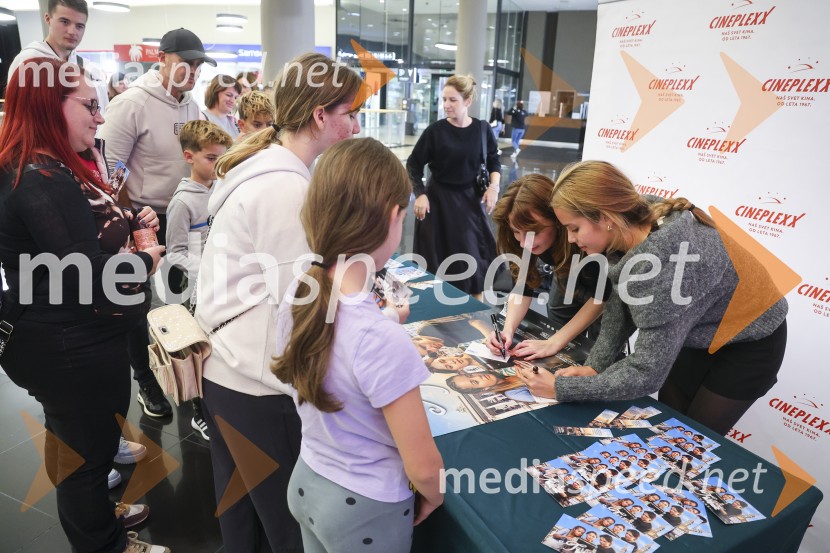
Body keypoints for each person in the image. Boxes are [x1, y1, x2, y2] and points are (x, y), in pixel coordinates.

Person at [194, 52, 364, 552]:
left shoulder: (264, 171)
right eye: (349, 113)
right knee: (288, 526)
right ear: (319, 116)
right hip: (257, 387)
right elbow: (300, 308)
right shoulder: (284, 187)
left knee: (241, 523)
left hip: (229, 374)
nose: (354, 126)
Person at [0, 58, 168, 553]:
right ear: (49, 106)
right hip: (67, 344)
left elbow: (82, 245)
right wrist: (145, 259)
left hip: (70, 338)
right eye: (90, 106)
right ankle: (103, 542)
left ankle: (100, 519)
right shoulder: (39, 177)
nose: (101, 117)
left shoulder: (48, 164)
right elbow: (87, 279)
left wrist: (127, 226)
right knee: (86, 457)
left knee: (77, 446)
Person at [516, 160, 788, 435]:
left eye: (574, 228)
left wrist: (562, 389)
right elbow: (618, 307)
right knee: (668, 422)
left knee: (689, 439)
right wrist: (595, 367)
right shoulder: (631, 226)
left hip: (748, 343)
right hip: (701, 328)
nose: (571, 239)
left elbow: (646, 373)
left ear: (606, 217)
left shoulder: (669, 267)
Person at [272, 137, 444, 553]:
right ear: (391, 216)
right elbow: (424, 469)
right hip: (365, 508)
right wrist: (435, 496)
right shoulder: (380, 339)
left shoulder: (301, 292)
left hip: (307, 479)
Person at [102, 27, 215, 417]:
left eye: (199, 65)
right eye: (186, 63)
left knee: (183, 301)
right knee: (139, 305)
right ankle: (146, 383)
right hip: (142, 216)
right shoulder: (132, 103)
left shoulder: (191, 106)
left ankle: (187, 380)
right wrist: (133, 223)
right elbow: (110, 171)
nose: (194, 72)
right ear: (163, 59)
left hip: (186, 213)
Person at [488, 174, 606, 360]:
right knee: (555, 333)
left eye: (534, 232)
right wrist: (507, 329)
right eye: (517, 232)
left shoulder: (582, 240)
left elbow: (602, 298)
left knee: (600, 350)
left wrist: (555, 342)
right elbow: (522, 286)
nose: (525, 243)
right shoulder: (531, 241)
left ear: (557, 220)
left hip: (604, 287)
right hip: (566, 272)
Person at [165, 120, 233, 441]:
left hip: (218, 286)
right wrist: (208, 267)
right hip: (194, 291)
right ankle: (197, 414)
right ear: (189, 156)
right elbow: (176, 253)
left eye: (222, 158)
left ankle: (212, 406)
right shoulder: (182, 203)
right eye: (211, 158)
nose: (218, 165)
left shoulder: (221, 190)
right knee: (195, 356)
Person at [406, 74, 501, 298]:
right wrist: (420, 194)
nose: (446, 105)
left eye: (453, 100)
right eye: (444, 100)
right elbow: (413, 164)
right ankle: (438, 312)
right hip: (438, 201)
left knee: (473, 259)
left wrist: (494, 187)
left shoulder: (481, 129)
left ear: (467, 101)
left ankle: (477, 312)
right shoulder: (435, 132)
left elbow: (494, 160)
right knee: (437, 258)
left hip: (469, 201)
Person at [8, 0, 109, 116]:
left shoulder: (90, 70)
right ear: (48, 19)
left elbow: (102, 116)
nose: (72, 32)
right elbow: (18, 116)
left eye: (79, 26)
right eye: (65, 22)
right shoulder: (29, 61)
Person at [202, 74, 242, 139]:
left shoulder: (234, 122)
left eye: (235, 97)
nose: (233, 101)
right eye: (229, 95)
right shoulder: (202, 118)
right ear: (215, 93)